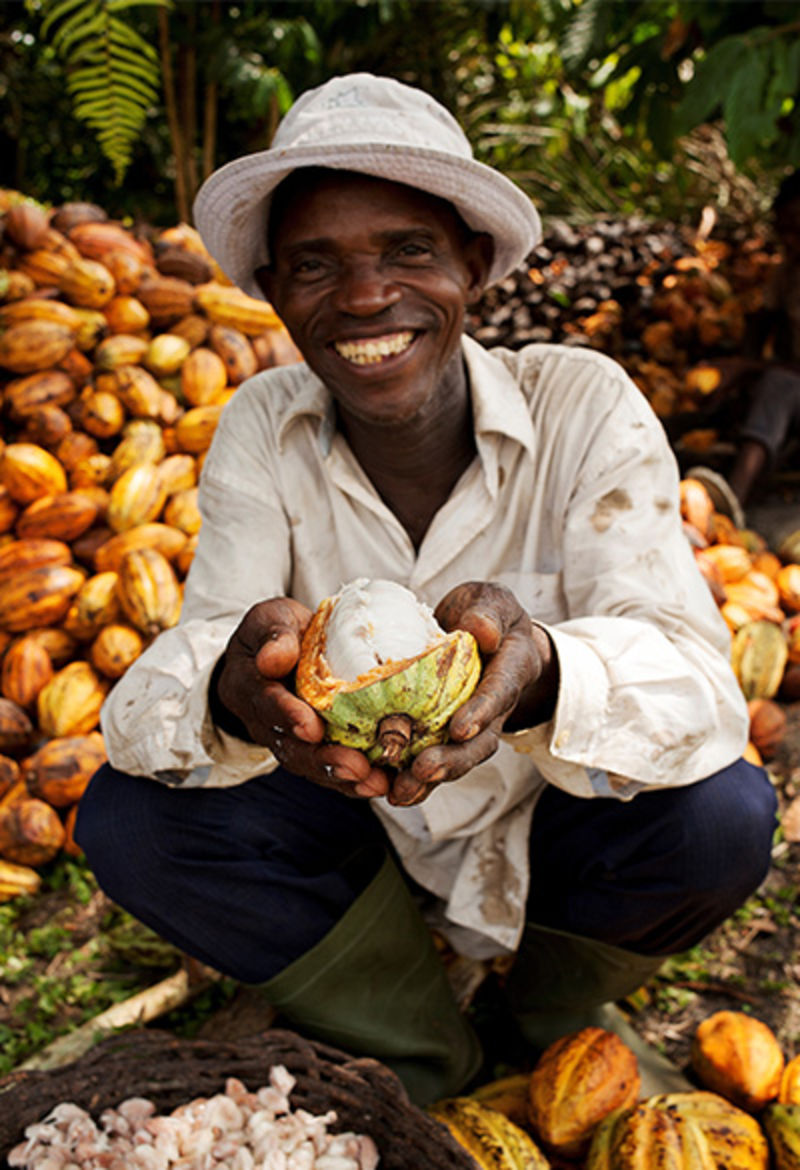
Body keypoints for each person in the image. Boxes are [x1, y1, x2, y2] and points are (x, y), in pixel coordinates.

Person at [75, 74, 777, 1105]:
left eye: (407, 250)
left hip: (552, 836)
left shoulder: (578, 402)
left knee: (719, 814)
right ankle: (414, 1045)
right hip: (351, 834)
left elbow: (701, 695)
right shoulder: (263, 426)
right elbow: (150, 709)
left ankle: (542, 1018)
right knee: (132, 822)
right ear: (274, 290)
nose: (363, 297)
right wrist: (234, 691)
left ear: (473, 266)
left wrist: (540, 675)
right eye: (316, 265)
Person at [688, 169, 800, 525]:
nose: (790, 240)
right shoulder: (789, 272)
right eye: (784, 230)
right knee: (746, 384)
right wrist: (734, 368)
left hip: (790, 382)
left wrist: (746, 368)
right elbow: (762, 323)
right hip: (790, 379)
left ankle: (734, 501)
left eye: (798, 228)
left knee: (777, 387)